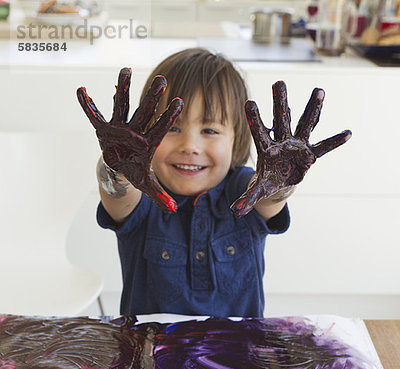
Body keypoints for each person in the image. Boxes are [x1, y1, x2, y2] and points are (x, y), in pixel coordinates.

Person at [77, 48, 351, 318]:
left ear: (237, 138)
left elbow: (270, 197)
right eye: (172, 127)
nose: (190, 146)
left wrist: (282, 178)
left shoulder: (246, 190)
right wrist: (117, 166)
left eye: (209, 130)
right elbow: (116, 194)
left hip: (239, 355)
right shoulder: (142, 196)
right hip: (153, 355)